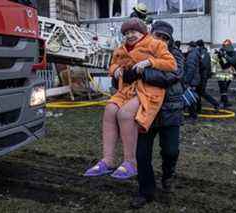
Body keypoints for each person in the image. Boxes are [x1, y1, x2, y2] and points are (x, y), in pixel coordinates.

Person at [84, 18, 177, 179]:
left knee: (125, 114)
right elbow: (112, 64)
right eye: (127, 33)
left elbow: (171, 65)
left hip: (148, 89)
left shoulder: (155, 45)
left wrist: (149, 62)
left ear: (143, 33)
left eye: (133, 32)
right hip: (127, 89)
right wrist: (116, 70)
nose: (130, 35)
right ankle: (108, 160)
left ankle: (131, 162)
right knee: (110, 109)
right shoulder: (121, 49)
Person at [131, 21, 184, 208]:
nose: (160, 39)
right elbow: (125, 74)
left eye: (165, 38)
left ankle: (168, 175)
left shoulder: (175, 54)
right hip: (146, 111)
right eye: (158, 35)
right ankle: (146, 191)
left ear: (170, 40)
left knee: (171, 151)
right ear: (150, 34)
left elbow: (172, 76)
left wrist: (143, 73)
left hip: (170, 111)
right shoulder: (138, 49)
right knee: (142, 154)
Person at [196, 39, 219, 112]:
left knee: (201, 92)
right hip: (203, 76)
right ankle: (198, 108)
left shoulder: (203, 54)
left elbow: (203, 65)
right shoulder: (204, 53)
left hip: (202, 76)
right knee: (198, 92)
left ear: (199, 46)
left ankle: (215, 103)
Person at [183, 41, 201, 120]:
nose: (187, 48)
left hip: (192, 80)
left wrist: (186, 80)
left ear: (190, 47)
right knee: (192, 96)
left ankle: (193, 116)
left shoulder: (192, 55)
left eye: (188, 47)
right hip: (195, 79)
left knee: (190, 96)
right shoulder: (195, 54)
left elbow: (190, 69)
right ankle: (193, 114)